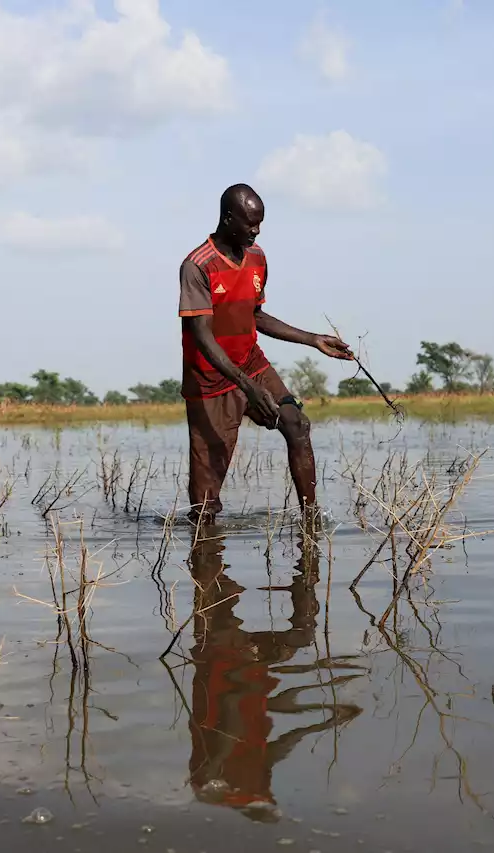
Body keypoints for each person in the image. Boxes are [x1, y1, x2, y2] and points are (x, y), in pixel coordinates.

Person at [178, 183, 353, 524]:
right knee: (205, 507)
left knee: (297, 424)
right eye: (250, 224)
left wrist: (311, 338)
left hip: (251, 362)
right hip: (210, 381)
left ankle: (311, 522)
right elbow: (201, 335)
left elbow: (255, 315)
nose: (256, 231)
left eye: (260, 223)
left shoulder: (257, 257)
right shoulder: (197, 266)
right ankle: (204, 555)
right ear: (228, 219)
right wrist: (246, 387)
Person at [185, 532, 363, 821]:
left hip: (225, 671)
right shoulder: (248, 776)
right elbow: (285, 739)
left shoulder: (225, 781)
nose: (270, 794)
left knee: (221, 599)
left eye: (266, 799)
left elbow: (231, 709)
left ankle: (211, 557)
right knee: (300, 636)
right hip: (240, 675)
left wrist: (323, 703)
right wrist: (326, 716)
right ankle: (298, 570)